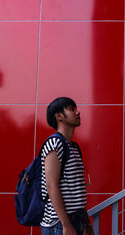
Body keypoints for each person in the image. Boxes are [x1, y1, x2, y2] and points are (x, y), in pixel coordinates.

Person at [40, 97, 94, 235]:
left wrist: (86, 223)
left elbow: (77, 190)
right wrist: (66, 225)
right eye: (71, 109)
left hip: (75, 220)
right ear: (59, 116)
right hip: (58, 223)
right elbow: (51, 186)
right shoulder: (54, 143)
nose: (77, 112)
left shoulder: (74, 147)